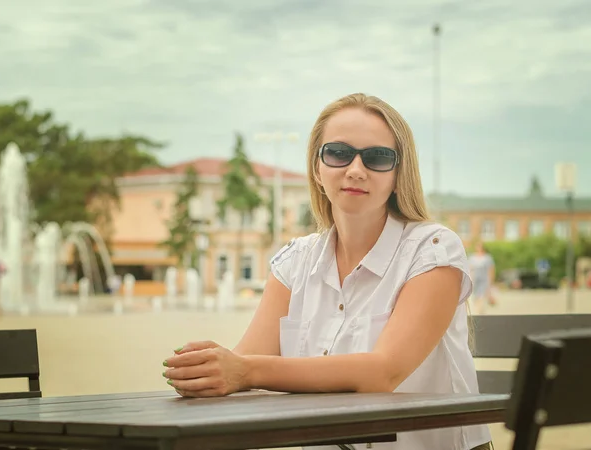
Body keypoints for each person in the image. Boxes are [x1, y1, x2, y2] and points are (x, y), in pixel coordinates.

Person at [162, 93, 492, 450]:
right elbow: (243, 363)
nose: (355, 169)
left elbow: (382, 372)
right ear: (317, 169)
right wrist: (208, 371)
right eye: (338, 153)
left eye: (378, 157)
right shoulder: (294, 262)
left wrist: (244, 371)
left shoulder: (433, 250)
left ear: (399, 174)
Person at [468, 241, 497, 314]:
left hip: (484, 281)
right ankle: (478, 313)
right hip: (475, 281)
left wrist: (491, 282)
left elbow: (491, 270)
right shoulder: (472, 257)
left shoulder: (487, 258)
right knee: (475, 298)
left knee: (481, 298)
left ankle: (479, 314)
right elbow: (469, 269)